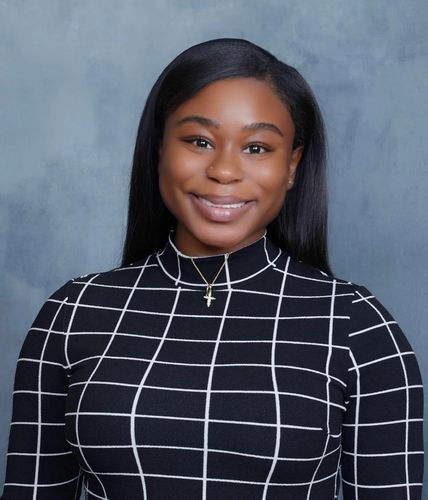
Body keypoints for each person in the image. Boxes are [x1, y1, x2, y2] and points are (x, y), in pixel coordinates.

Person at [0, 38, 424, 500]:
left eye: (257, 148)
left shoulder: (358, 327)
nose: (224, 171)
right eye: (199, 141)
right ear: (159, 148)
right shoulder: (73, 314)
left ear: (292, 165)